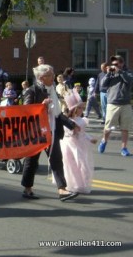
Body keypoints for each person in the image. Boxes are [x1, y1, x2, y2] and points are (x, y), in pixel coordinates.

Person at [21, 64, 80, 202]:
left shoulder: (52, 89)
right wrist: (42, 105)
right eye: (50, 75)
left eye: (53, 74)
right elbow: (26, 111)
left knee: (56, 159)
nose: (54, 77)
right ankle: (27, 188)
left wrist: (72, 125)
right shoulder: (32, 91)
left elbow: (57, 113)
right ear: (41, 78)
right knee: (31, 161)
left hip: (51, 130)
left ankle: (62, 190)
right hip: (36, 132)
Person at [60, 89, 97, 194]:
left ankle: (82, 184)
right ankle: (72, 184)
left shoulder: (81, 120)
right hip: (69, 145)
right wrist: (73, 131)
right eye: (79, 108)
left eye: (82, 108)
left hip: (78, 144)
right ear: (73, 109)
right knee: (70, 164)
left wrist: (90, 139)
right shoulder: (68, 121)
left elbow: (83, 133)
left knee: (82, 163)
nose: (82, 110)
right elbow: (67, 132)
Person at [98, 55, 133, 156]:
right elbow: (103, 85)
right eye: (113, 64)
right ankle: (104, 140)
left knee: (125, 128)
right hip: (113, 103)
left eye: (116, 64)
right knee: (108, 127)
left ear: (122, 63)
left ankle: (124, 148)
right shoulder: (111, 74)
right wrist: (108, 74)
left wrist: (120, 71)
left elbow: (129, 81)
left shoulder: (128, 73)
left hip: (125, 104)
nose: (114, 66)